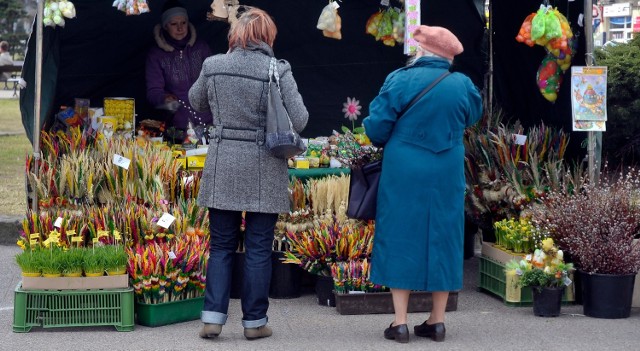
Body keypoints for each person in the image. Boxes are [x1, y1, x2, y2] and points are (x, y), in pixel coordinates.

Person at [189, 7, 308, 341]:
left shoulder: (213, 65)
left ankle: (212, 318)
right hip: (265, 166)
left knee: (222, 245)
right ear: (267, 37)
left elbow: (195, 100)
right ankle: (255, 323)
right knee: (258, 248)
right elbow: (299, 120)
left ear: (235, 36)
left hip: (224, 159)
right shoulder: (277, 69)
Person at [363, 25, 482, 344]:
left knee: (400, 234)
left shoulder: (400, 79)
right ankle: (437, 321)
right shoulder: (463, 85)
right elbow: (473, 116)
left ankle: (400, 322)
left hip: (404, 170)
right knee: (444, 237)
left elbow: (376, 129)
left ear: (422, 51)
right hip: (446, 170)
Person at [145, 0, 213, 133]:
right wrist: (164, 99)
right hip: (178, 128)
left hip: (209, 123)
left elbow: (215, 81)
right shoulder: (156, 55)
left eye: (183, 23)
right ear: (165, 26)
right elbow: (153, 91)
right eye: (174, 24)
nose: (180, 28)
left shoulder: (202, 48)